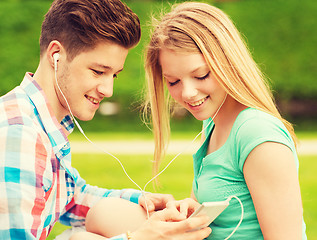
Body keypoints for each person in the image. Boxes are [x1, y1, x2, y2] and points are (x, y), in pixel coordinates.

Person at [0, 0, 212, 239]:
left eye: (114, 75)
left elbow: (71, 198)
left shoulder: (42, 124)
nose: (108, 89)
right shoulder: (19, 134)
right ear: (56, 55)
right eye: (98, 72)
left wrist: (145, 201)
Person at [144, 2, 307, 239]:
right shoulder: (212, 123)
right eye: (173, 81)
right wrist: (189, 213)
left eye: (201, 75)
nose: (188, 93)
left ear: (228, 62)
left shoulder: (257, 134)